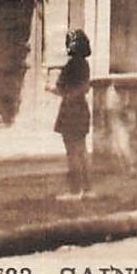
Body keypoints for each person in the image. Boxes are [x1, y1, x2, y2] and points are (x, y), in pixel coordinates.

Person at [50, 29, 93, 201]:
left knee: (72, 152)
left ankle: (74, 190)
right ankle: (88, 189)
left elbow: (61, 88)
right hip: (82, 108)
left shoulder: (70, 66)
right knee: (82, 150)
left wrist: (51, 89)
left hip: (70, 110)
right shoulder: (85, 65)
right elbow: (84, 87)